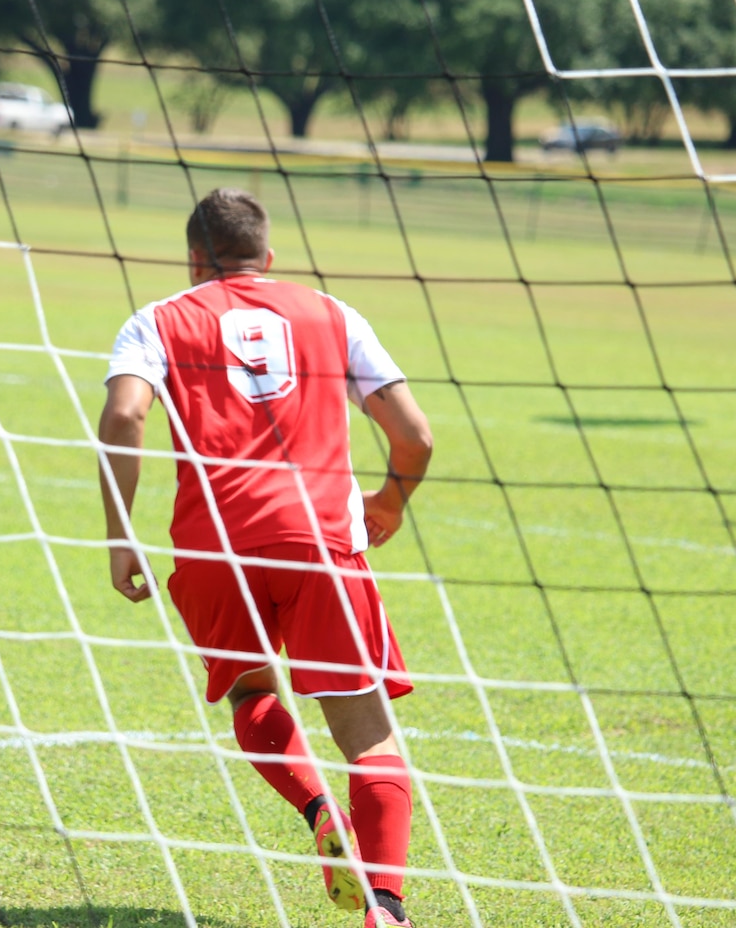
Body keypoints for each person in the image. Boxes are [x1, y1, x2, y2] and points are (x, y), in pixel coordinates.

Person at [97, 189, 434, 928]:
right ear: (269, 256)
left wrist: (121, 536)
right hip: (320, 544)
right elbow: (416, 435)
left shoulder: (156, 318)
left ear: (194, 258)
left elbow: (124, 414)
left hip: (216, 548)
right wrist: (389, 503)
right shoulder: (333, 314)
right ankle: (387, 906)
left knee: (253, 694)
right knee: (368, 735)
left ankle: (317, 808)